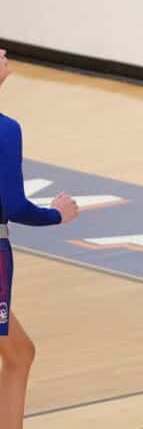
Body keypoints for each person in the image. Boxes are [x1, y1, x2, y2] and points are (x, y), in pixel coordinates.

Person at [0, 49, 79, 428]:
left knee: (19, 353)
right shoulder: (5, 129)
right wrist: (56, 215)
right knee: (17, 354)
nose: (3, 52)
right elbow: (13, 205)